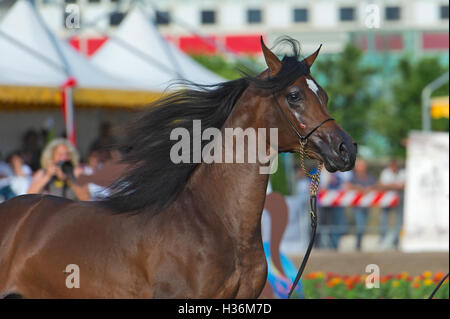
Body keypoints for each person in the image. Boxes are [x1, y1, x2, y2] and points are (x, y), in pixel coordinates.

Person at [345, 158, 376, 251]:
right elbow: (347, 186)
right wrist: (357, 188)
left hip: (367, 206)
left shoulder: (370, 177)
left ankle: (359, 243)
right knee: (360, 224)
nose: (361, 168)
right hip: (357, 206)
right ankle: (358, 244)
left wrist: (370, 189)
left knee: (364, 224)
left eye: (363, 165)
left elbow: (376, 185)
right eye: (360, 166)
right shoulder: (353, 178)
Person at [319, 170, 352, 250]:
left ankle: (334, 245)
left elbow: (343, 184)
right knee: (324, 224)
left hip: (337, 202)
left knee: (336, 223)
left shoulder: (339, 174)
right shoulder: (320, 172)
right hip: (324, 202)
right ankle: (325, 244)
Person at [378, 159, 406, 250]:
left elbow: (404, 185)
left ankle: (396, 241)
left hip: (399, 199)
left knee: (399, 220)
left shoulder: (402, 172)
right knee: (384, 219)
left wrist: (390, 185)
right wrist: (396, 185)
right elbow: (382, 185)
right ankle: (383, 239)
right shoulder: (385, 172)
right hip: (386, 199)